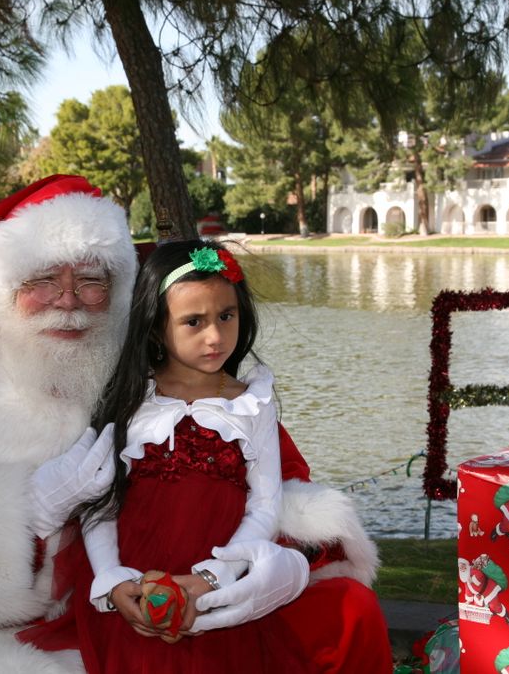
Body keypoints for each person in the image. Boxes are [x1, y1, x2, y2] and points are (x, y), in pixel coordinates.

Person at [0, 174, 391, 673]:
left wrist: (280, 565)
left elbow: (284, 479)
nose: (68, 299)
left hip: (206, 587)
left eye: (91, 280)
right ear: (1, 288)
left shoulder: (168, 363)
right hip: (35, 624)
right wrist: (27, 513)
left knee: (344, 612)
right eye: (42, 280)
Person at [17, 239, 313, 672]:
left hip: (215, 583)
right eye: (193, 321)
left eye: (226, 316)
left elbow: (265, 505)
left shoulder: (253, 402)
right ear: (157, 327)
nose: (215, 336)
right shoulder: (131, 398)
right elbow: (102, 503)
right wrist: (113, 578)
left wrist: (217, 575)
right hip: (138, 582)